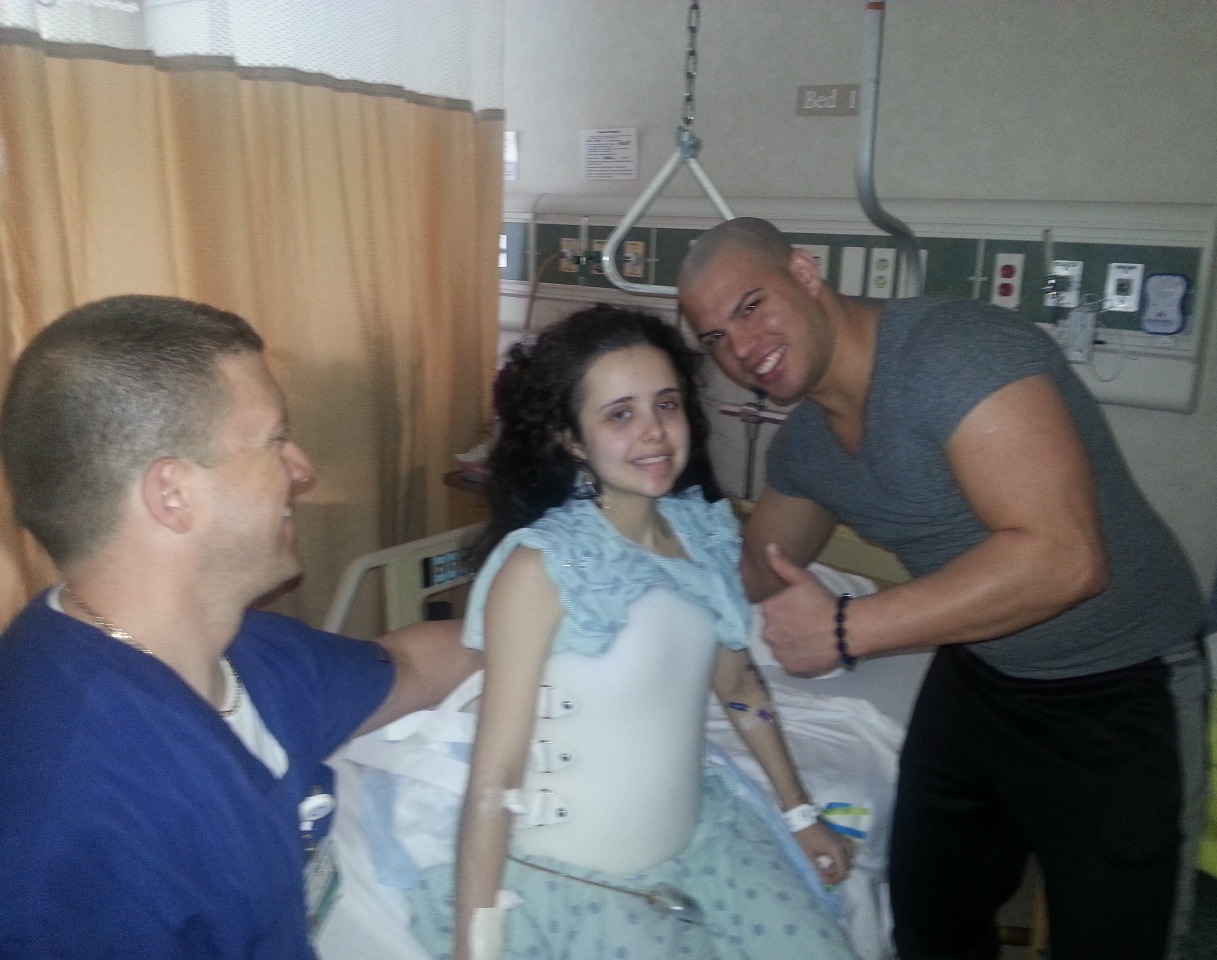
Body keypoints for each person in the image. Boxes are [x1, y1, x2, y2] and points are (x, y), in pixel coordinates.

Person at [677, 218, 1208, 960]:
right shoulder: (809, 446)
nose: (740, 347)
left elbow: (1066, 560)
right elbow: (752, 573)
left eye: (751, 306)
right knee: (930, 918)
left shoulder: (953, 354)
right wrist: (638, 564)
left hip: (1120, 681)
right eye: (715, 337)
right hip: (983, 672)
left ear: (803, 271)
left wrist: (846, 628)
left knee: (1116, 943)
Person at [0, 295, 480, 959]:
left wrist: (547, 610)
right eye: (277, 441)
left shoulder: (237, 650)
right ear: (173, 494)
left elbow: (413, 666)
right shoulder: (72, 835)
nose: (303, 471)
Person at [405, 304, 859, 960]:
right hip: (581, 879)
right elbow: (495, 769)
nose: (654, 432)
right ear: (572, 439)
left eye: (666, 405)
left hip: (705, 840)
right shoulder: (541, 566)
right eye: (620, 414)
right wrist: (475, 944)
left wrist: (800, 815)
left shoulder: (705, 535)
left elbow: (740, 687)